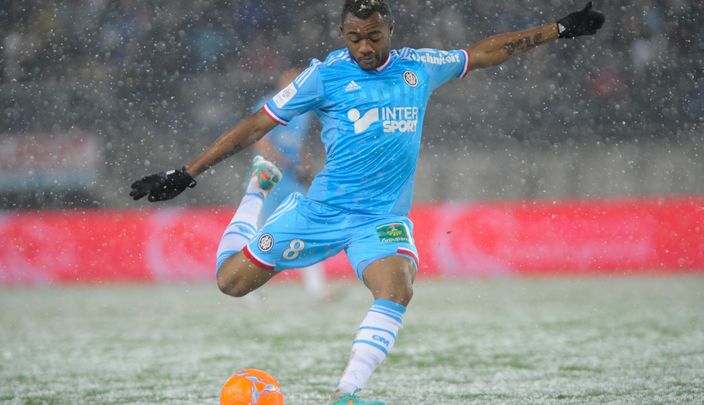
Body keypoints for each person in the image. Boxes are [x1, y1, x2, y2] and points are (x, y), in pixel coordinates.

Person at [130, 1, 604, 403]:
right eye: (354, 37)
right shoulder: (325, 76)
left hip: (379, 221)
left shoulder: (419, 65)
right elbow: (258, 124)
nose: (364, 47)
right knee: (230, 283)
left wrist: (557, 30)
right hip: (320, 213)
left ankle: (348, 393)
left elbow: (483, 52)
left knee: (396, 289)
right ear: (343, 33)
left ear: (389, 30)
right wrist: (187, 172)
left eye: (373, 36)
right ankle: (257, 189)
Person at [252, 68, 333, 302]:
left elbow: (297, 145)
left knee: (305, 229)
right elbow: (261, 144)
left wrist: (305, 167)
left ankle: (317, 289)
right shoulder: (268, 104)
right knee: (261, 236)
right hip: (267, 178)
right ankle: (248, 287)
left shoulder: (302, 112)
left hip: (291, 181)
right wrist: (288, 163)